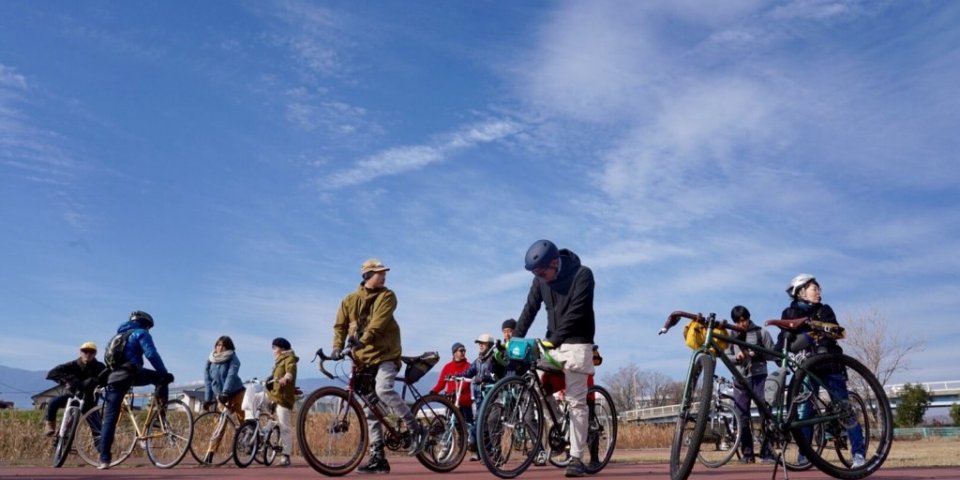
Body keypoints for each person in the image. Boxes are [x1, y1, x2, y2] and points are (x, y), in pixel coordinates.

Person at [331, 258, 425, 474]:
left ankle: (415, 428)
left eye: (384, 273)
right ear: (367, 276)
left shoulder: (387, 296)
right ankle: (378, 458)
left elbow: (378, 323)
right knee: (368, 407)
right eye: (379, 273)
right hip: (362, 359)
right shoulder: (348, 301)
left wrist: (363, 338)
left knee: (383, 389)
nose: (384, 276)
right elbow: (340, 327)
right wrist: (337, 347)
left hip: (385, 355)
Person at [513, 239, 596, 478]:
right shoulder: (539, 280)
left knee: (577, 401)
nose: (540, 277)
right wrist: (514, 341)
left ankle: (577, 458)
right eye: (535, 274)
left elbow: (577, 311)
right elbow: (529, 310)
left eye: (542, 272)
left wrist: (556, 338)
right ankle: (561, 429)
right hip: (553, 344)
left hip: (578, 342)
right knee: (538, 386)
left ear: (554, 262)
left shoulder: (582, 275)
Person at [780, 274, 866, 468]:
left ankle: (859, 454)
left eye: (819, 289)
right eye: (814, 289)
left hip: (829, 364)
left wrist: (811, 327)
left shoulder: (824, 310)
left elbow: (836, 331)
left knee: (845, 409)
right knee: (804, 413)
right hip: (805, 367)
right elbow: (784, 336)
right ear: (801, 291)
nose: (819, 292)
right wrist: (779, 352)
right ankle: (805, 454)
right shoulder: (789, 312)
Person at [98, 310, 174, 470]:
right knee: (161, 380)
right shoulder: (140, 333)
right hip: (131, 373)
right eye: (149, 327)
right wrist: (164, 373)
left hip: (113, 378)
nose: (148, 330)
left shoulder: (116, 337)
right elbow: (151, 354)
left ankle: (104, 459)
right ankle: (161, 419)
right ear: (145, 324)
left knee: (110, 418)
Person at [723, 305, 775, 464]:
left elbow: (772, 354)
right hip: (740, 379)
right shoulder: (730, 335)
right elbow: (725, 356)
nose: (741, 324)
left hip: (759, 376)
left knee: (766, 413)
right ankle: (747, 454)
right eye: (737, 322)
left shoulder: (761, 332)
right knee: (741, 417)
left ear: (748, 317)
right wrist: (736, 358)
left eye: (743, 320)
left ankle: (768, 453)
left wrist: (757, 352)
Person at [43, 342, 105, 436]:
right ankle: (50, 425)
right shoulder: (72, 365)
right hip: (71, 397)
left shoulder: (100, 367)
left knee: (99, 431)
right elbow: (52, 373)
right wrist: (69, 380)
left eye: (91, 352)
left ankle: (103, 450)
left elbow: (108, 380)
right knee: (52, 402)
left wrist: (98, 384)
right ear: (80, 352)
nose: (88, 354)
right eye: (85, 351)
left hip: (90, 403)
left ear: (95, 354)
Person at [201, 335, 244, 464]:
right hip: (220, 397)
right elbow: (208, 381)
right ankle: (210, 453)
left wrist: (225, 391)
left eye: (223, 346)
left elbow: (231, 374)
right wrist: (208, 399)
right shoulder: (210, 360)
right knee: (219, 425)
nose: (220, 348)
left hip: (236, 393)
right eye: (218, 345)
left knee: (244, 421)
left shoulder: (233, 358)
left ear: (228, 347)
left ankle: (251, 443)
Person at [429, 343, 474, 451]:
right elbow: (441, 383)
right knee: (453, 426)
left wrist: (456, 390)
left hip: (465, 403)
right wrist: (433, 391)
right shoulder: (447, 367)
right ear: (454, 353)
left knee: (469, 427)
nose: (463, 352)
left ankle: (474, 450)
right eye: (460, 350)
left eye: (464, 350)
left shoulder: (468, 366)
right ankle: (449, 448)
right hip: (452, 402)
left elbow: (467, 383)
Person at [463, 333, 498, 461]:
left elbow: (497, 376)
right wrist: (456, 376)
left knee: (487, 423)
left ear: (489, 345)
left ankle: (488, 452)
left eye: (482, 343)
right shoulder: (478, 360)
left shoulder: (495, 358)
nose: (480, 346)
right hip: (478, 398)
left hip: (491, 396)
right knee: (479, 423)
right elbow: (468, 372)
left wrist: (485, 378)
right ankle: (482, 451)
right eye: (479, 344)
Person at [265, 337, 298, 467]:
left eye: (275, 347)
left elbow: (291, 371)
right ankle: (251, 427)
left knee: (285, 427)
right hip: (273, 395)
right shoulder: (277, 362)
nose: (273, 350)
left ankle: (286, 455)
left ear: (282, 348)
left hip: (283, 398)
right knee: (253, 398)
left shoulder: (289, 359)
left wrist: (286, 378)